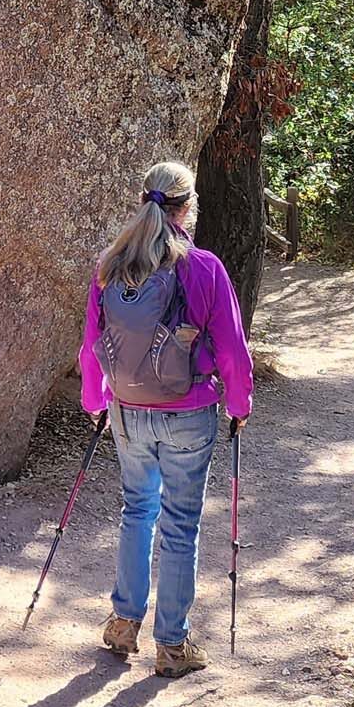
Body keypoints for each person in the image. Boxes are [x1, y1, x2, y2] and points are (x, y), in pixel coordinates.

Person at [79, 157, 252, 676]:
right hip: (189, 412)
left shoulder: (111, 265)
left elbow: (92, 344)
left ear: (143, 201)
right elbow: (232, 349)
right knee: (180, 525)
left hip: (127, 410)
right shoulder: (204, 268)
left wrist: (96, 401)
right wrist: (239, 405)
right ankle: (172, 646)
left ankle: (123, 623)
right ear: (188, 207)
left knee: (137, 511)